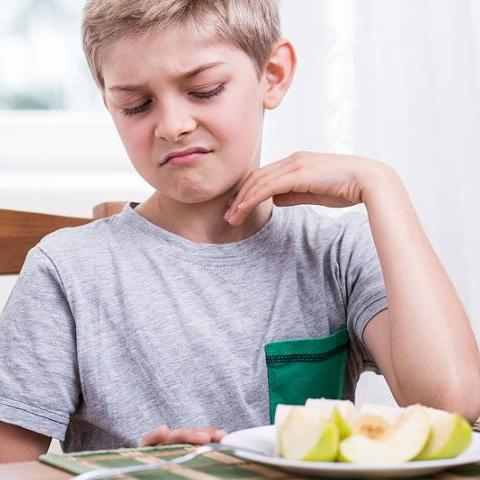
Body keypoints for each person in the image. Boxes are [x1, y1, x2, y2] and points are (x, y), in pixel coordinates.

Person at [0, 0, 479, 463]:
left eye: (204, 90)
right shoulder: (68, 269)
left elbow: (452, 404)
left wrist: (382, 186)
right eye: (136, 104)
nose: (172, 125)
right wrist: (124, 469)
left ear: (272, 75)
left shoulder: (337, 251)